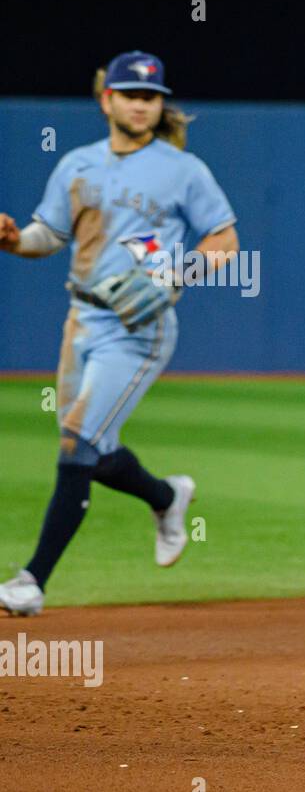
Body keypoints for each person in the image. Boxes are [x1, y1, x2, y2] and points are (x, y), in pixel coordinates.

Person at [0, 51, 239, 617]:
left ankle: (32, 580)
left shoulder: (183, 170)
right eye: (131, 94)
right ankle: (166, 496)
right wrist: (12, 239)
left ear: (161, 105)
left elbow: (225, 244)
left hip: (138, 327)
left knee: (78, 442)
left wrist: (176, 274)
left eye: (151, 96)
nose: (142, 104)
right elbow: (47, 236)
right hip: (80, 318)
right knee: (94, 452)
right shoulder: (78, 165)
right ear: (107, 99)